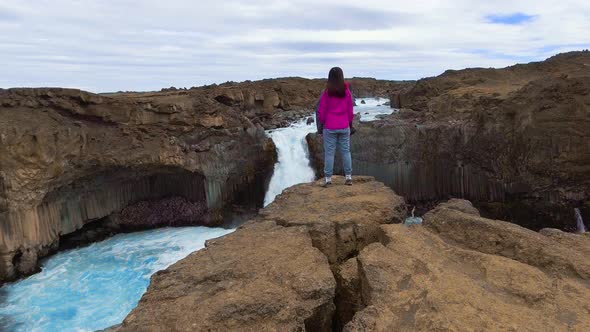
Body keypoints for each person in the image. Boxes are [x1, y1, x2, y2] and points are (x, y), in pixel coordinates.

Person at [317, 67, 354, 186]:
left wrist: (322, 123)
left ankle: (328, 179)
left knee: (329, 153)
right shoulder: (347, 92)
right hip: (344, 125)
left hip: (330, 126)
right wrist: (350, 123)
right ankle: (348, 177)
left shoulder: (327, 93)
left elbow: (322, 110)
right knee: (346, 152)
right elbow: (350, 110)